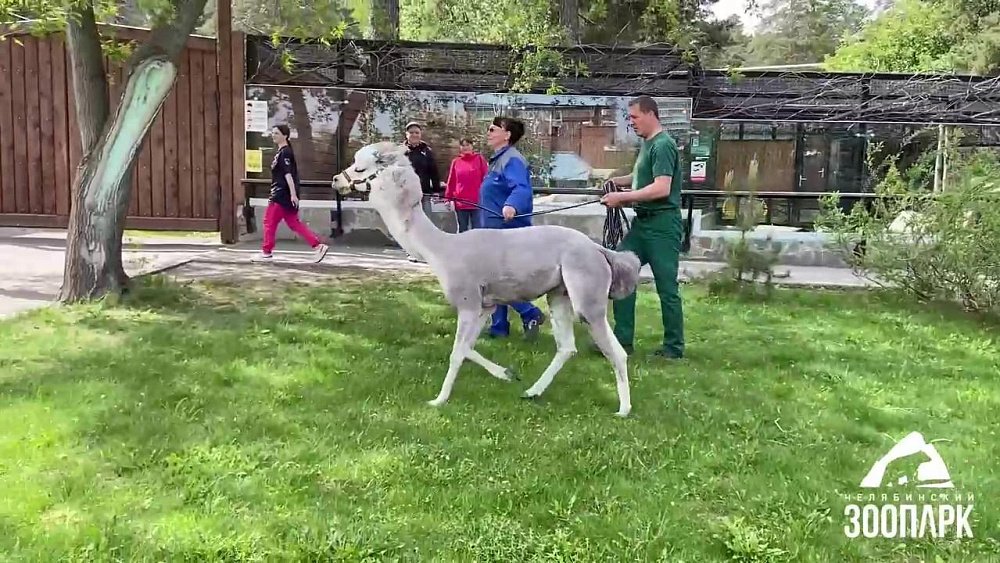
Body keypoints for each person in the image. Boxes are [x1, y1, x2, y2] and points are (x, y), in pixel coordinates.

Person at [599, 95, 685, 359]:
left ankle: (673, 348)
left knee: (667, 288)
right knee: (621, 274)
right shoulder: (647, 144)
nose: (631, 122)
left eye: (634, 117)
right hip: (642, 226)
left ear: (650, 114)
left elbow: (661, 187)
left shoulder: (663, 145)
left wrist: (622, 199)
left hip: (663, 226)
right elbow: (641, 178)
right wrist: (617, 182)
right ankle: (622, 341)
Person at [479, 116, 547, 340]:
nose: (488, 132)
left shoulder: (512, 159)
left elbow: (521, 188)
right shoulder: (498, 159)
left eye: (493, 129)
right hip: (494, 229)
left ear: (507, 135)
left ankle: (530, 313)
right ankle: (499, 328)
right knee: (494, 279)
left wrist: (512, 205)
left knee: (497, 280)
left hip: (507, 230)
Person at [253, 124, 329, 263]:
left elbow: (288, 175)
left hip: (281, 195)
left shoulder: (285, 152)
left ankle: (266, 252)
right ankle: (318, 246)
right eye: (273, 133)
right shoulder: (282, 152)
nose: (273, 135)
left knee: (269, 222)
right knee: (294, 223)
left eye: (276, 133)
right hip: (283, 194)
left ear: (285, 136)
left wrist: (293, 195)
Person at [402, 121, 443, 261]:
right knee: (409, 223)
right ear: (406, 134)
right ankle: (411, 251)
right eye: (411, 132)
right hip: (406, 195)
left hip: (424, 193)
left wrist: (436, 190)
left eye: (417, 132)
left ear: (420, 135)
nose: (414, 135)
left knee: (424, 223)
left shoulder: (427, 151)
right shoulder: (400, 152)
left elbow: (434, 172)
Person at [444, 138, 488, 233]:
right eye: (463, 145)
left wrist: (488, 196)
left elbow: (486, 178)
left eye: (467, 145)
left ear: (472, 146)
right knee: (462, 230)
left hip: (477, 202)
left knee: (477, 230)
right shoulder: (456, 162)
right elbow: (451, 181)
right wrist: (448, 198)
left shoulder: (479, 159)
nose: (465, 147)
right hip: (460, 202)